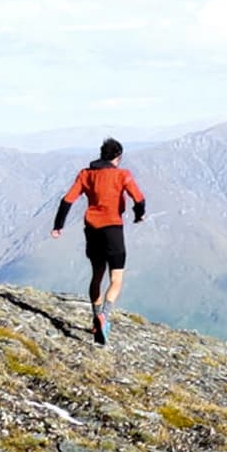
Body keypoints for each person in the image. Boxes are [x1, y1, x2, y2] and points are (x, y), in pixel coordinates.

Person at [52, 138, 147, 345]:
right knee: (117, 279)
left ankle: (96, 318)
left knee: (97, 274)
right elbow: (139, 199)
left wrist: (58, 226)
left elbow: (67, 200)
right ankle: (105, 315)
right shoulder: (123, 175)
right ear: (118, 157)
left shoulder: (86, 174)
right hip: (113, 229)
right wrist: (139, 215)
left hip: (92, 229)